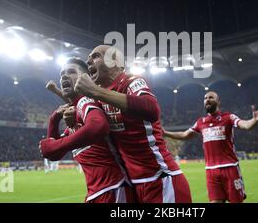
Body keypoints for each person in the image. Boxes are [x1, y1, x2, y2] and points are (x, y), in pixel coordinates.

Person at [73, 45, 192, 203]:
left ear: (115, 61)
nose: (88, 61)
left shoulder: (132, 81)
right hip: (134, 186)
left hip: (161, 180)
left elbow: (151, 109)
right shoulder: (99, 98)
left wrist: (96, 91)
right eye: (89, 58)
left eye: (95, 56)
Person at [39, 58, 134, 203]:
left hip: (114, 189)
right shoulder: (77, 113)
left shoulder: (86, 101)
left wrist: (55, 145)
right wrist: (54, 120)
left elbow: (98, 126)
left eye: (71, 72)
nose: (64, 76)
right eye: (62, 74)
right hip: (100, 192)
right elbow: (54, 154)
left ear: (86, 78)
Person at [163, 91, 258, 203]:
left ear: (218, 101)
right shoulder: (200, 122)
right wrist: (165, 133)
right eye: (205, 98)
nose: (207, 99)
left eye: (211, 97)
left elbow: (246, 125)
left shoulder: (228, 117)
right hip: (211, 171)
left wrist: (254, 121)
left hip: (230, 168)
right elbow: (184, 135)